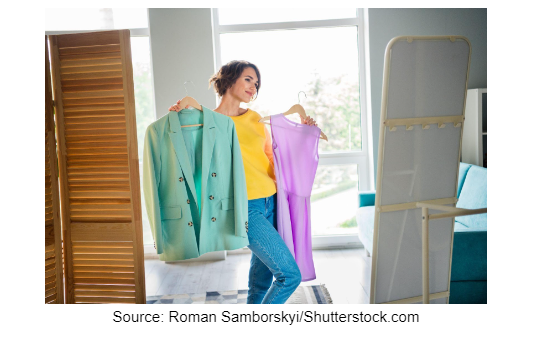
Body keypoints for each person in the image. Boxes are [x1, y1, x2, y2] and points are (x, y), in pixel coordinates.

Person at [168, 60, 318, 304]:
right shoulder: (207, 123)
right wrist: (179, 119)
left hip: (272, 201)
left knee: (261, 282)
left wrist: (303, 134)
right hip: (244, 207)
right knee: (289, 276)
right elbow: (194, 164)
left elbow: (273, 159)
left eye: (256, 83)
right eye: (248, 79)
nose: (253, 87)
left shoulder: (256, 119)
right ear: (229, 79)